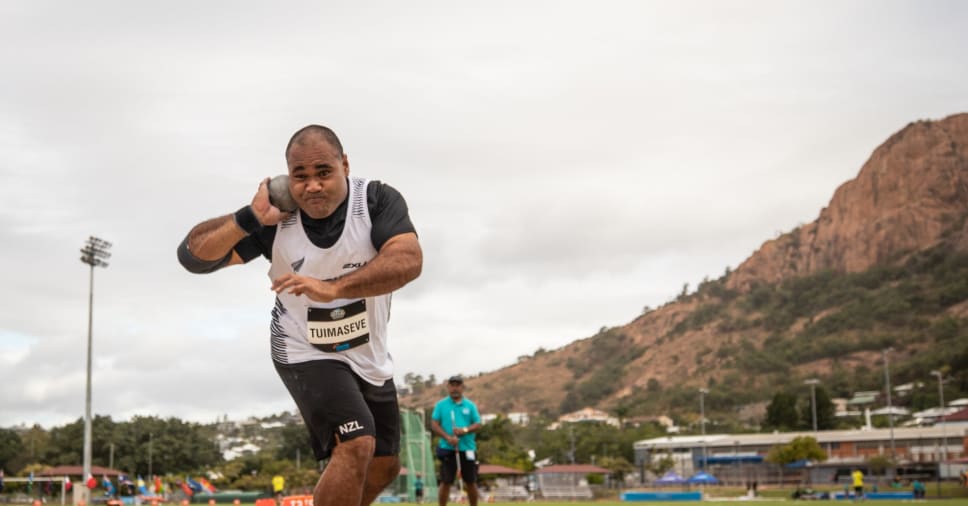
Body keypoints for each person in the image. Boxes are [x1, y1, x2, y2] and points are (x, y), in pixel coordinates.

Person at [177, 124, 423, 506]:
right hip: (304, 347)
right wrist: (249, 217)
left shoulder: (375, 201)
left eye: (324, 172)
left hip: (367, 354)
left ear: (344, 165)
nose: (312, 186)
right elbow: (194, 258)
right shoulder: (277, 220)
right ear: (286, 177)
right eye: (300, 176)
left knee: (385, 465)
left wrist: (335, 288)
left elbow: (408, 260)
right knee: (356, 442)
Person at [431, 376, 482, 506]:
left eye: (457, 385)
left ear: (462, 387)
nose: (455, 388)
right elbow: (434, 424)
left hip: (467, 448)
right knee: (445, 481)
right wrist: (448, 438)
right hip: (447, 448)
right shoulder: (441, 405)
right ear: (448, 387)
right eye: (452, 385)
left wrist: (464, 430)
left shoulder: (470, 406)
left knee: (471, 481)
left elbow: (477, 424)